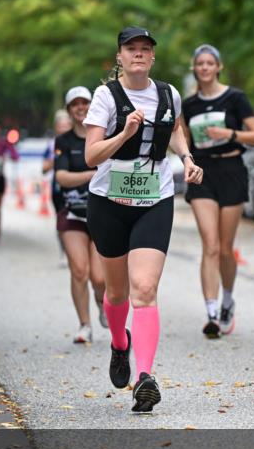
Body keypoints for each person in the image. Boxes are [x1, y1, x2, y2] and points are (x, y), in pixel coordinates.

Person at [84, 26, 203, 412]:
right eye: (131, 48)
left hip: (155, 197)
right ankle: (120, 343)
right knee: (115, 293)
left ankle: (144, 377)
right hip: (109, 201)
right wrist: (125, 133)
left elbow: (176, 131)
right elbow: (91, 156)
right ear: (119, 56)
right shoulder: (105, 96)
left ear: (153, 57)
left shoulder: (168, 94)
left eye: (145, 49)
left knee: (145, 287)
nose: (138, 54)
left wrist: (186, 158)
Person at [182, 44, 254, 338]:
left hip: (231, 171)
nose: (204, 68)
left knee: (226, 248)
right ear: (194, 69)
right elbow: (181, 140)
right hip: (203, 172)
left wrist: (228, 134)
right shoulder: (188, 105)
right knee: (210, 244)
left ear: (218, 67)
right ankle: (212, 313)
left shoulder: (235, 98)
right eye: (199, 63)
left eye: (209, 63)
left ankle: (228, 299)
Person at [55, 86, 107, 343]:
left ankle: (101, 302)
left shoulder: (104, 134)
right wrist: (90, 175)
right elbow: (61, 177)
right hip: (72, 213)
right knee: (79, 270)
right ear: (68, 109)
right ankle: (84, 325)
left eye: (84, 102)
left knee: (99, 276)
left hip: (102, 213)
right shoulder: (63, 142)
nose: (80, 107)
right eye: (74, 104)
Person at [44, 110, 74, 267]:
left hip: (77, 189)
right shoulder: (51, 145)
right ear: (56, 127)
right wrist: (53, 161)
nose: (63, 128)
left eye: (66, 125)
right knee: (62, 221)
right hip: (58, 189)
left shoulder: (79, 141)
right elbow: (44, 168)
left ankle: (75, 251)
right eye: (60, 126)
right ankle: (64, 250)